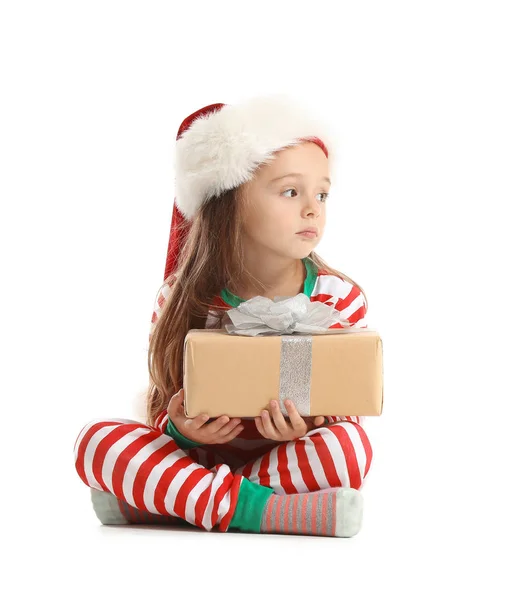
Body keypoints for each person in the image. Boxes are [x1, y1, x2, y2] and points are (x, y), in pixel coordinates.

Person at [73, 94, 374, 538]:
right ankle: (265, 513)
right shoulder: (182, 298)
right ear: (230, 203)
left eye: (322, 194)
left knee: (349, 449)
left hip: (284, 463)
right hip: (195, 461)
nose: (313, 208)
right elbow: (165, 404)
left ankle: (171, 505)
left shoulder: (339, 298)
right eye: (291, 191)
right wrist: (183, 429)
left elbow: (348, 411)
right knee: (95, 442)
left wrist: (309, 425)